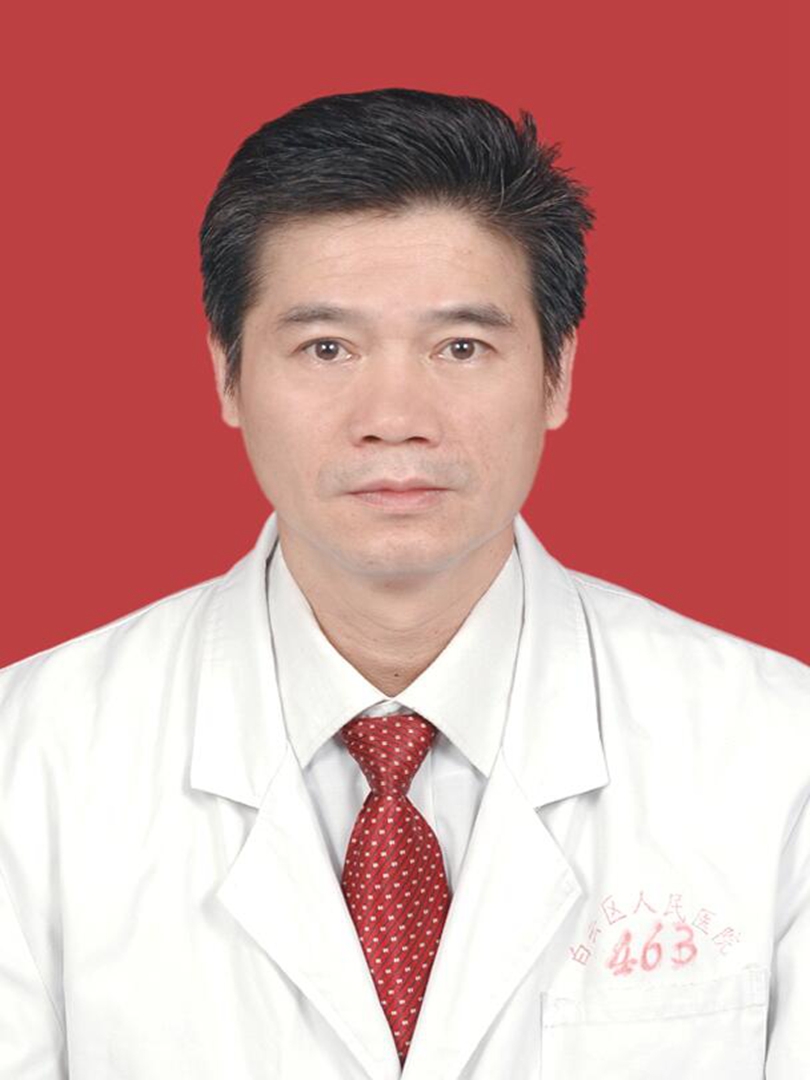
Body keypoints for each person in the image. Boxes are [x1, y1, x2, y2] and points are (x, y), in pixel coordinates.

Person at [0, 87, 807, 1080]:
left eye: (461, 347)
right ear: (227, 375)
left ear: (556, 374)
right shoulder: (28, 760)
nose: (393, 417)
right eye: (326, 348)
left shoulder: (778, 754)